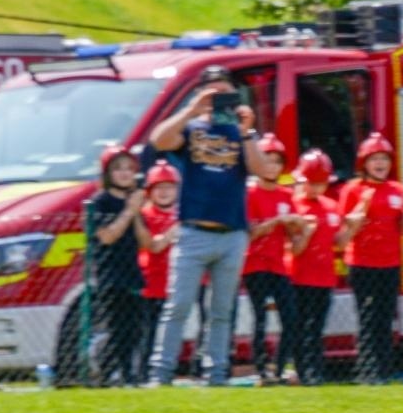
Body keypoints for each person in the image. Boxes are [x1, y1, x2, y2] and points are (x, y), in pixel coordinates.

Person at [146, 64, 272, 386]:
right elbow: (158, 140)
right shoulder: (191, 129)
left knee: (222, 310)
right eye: (212, 94)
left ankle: (216, 374)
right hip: (193, 232)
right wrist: (192, 109)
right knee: (179, 306)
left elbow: (264, 170)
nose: (219, 100)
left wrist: (246, 131)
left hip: (232, 234)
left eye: (225, 94)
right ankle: (161, 374)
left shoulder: (241, 132)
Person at [339, 133, 403, 384]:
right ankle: (367, 371)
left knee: (385, 318)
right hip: (362, 263)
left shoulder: (397, 190)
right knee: (367, 317)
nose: (381, 163)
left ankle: (384, 371)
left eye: (384, 158)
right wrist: (362, 205)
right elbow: (345, 227)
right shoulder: (352, 189)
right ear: (364, 163)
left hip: (390, 263)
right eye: (375, 159)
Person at [84, 146, 152, 386]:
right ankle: (106, 374)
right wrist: (129, 210)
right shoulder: (101, 201)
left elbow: (146, 243)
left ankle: (128, 375)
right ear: (107, 173)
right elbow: (107, 236)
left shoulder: (131, 202)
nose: (125, 174)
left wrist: (135, 212)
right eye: (118, 168)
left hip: (132, 272)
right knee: (116, 328)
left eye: (129, 168)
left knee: (133, 331)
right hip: (110, 274)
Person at [240, 133, 299, 384]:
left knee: (290, 316)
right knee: (260, 317)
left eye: (277, 161)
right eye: (267, 160)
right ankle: (262, 369)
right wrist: (277, 221)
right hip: (255, 264)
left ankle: (281, 366)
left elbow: (294, 230)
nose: (272, 166)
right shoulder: (250, 194)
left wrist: (300, 225)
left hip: (278, 264)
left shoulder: (286, 195)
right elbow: (251, 232)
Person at [286, 150, 339, 386]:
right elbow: (294, 249)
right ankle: (300, 370)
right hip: (299, 277)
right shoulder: (293, 206)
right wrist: (307, 233)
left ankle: (315, 372)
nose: (317, 189)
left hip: (324, 277)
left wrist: (355, 225)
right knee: (298, 327)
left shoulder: (331, 206)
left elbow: (338, 241)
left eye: (321, 183)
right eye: (312, 183)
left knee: (317, 328)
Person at [137, 161, 180, 384]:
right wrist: (173, 231)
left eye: (169, 187)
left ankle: (166, 373)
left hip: (172, 285)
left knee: (169, 335)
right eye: (159, 187)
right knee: (149, 334)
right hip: (150, 285)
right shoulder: (146, 215)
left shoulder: (180, 215)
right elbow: (154, 246)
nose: (164, 193)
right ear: (150, 191)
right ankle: (144, 374)